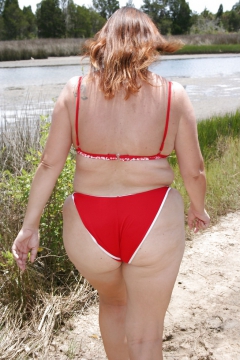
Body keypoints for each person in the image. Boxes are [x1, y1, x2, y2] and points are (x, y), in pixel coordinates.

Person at [12, 7, 210, 360]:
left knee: (113, 302)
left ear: (104, 42)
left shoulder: (75, 91)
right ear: (150, 44)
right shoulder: (173, 95)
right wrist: (198, 208)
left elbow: (48, 164)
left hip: (89, 223)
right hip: (153, 218)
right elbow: (194, 171)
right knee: (148, 338)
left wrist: (30, 226)